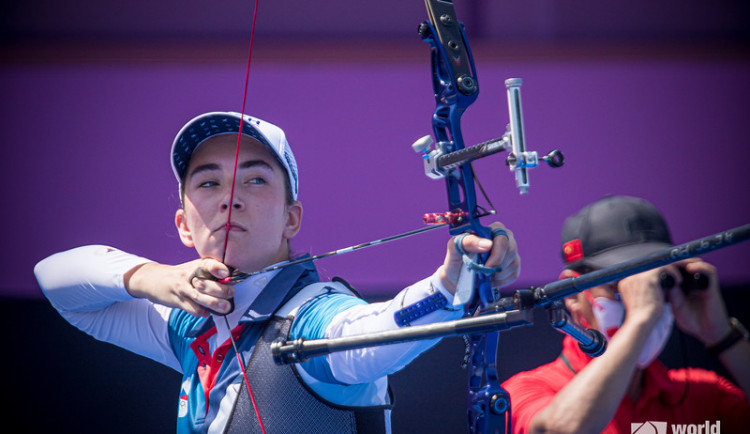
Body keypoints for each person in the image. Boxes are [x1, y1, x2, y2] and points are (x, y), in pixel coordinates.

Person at [34, 111, 521, 433]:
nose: (230, 196)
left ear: (292, 218)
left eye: (255, 178)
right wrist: (153, 278)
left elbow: (374, 332)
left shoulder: (313, 317)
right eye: (208, 182)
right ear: (184, 225)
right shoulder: (190, 320)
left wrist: (451, 283)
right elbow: (57, 280)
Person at [501, 195, 750, 433]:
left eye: (656, 283)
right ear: (573, 294)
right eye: (618, 285)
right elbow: (559, 430)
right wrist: (639, 319)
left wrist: (722, 336)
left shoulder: (704, 395)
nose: (646, 300)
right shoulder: (526, 391)